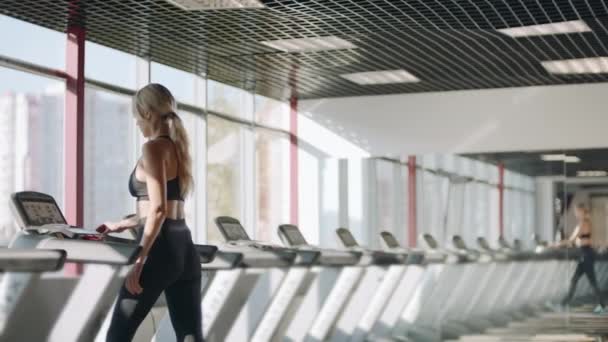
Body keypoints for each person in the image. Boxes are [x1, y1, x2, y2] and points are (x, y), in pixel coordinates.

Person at [101, 84, 203, 341]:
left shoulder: (153, 148)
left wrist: (140, 259)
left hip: (159, 250)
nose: (136, 123)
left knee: (117, 336)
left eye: (136, 116)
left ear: (146, 112)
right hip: (184, 247)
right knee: (189, 335)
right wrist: (126, 223)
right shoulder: (178, 149)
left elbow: (158, 209)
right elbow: (167, 208)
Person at [557, 202, 605, 314]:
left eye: (577, 211)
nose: (576, 214)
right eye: (575, 212)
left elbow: (572, 240)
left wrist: (555, 244)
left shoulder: (583, 224)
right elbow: (581, 240)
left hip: (586, 255)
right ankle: (564, 304)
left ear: (583, 212)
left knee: (592, 282)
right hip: (585, 254)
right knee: (575, 280)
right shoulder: (586, 223)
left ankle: (603, 305)